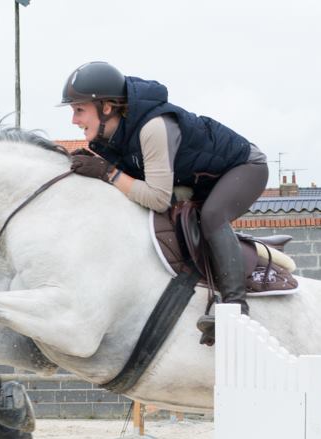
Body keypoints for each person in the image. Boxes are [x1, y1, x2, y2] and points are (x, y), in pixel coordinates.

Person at [59, 61, 269, 340]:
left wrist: (108, 173)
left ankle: (235, 307)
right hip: (197, 179)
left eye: (79, 110)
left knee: (212, 215)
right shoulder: (110, 138)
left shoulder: (153, 127)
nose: (74, 120)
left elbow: (157, 198)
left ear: (106, 107)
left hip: (245, 168)